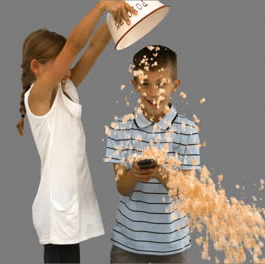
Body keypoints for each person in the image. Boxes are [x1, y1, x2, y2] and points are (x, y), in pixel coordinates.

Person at [16, 1, 137, 263]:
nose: (68, 70)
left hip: (71, 206)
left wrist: (119, 12)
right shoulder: (37, 97)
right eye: (61, 64)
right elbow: (75, 45)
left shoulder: (64, 88)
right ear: (36, 67)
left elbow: (95, 46)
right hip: (57, 212)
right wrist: (103, 5)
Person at [105, 45, 201, 264]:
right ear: (135, 85)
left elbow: (185, 191)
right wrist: (135, 174)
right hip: (128, 242)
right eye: (145, 83)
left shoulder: (188, 130)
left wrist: (161, 173)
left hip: (172, 244)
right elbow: (122, 188)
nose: (152, 92)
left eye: (161, 84)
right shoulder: (120, 127)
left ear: (174, 86)